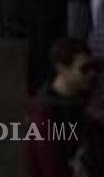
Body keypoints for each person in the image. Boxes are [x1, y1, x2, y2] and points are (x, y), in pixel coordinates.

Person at [27, 38, 104, 176]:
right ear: (62, 68)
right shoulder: (45, 115)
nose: (92, 74)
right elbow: (51, 167)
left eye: (95, 67)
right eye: (84, 69)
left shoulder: (86, 98)